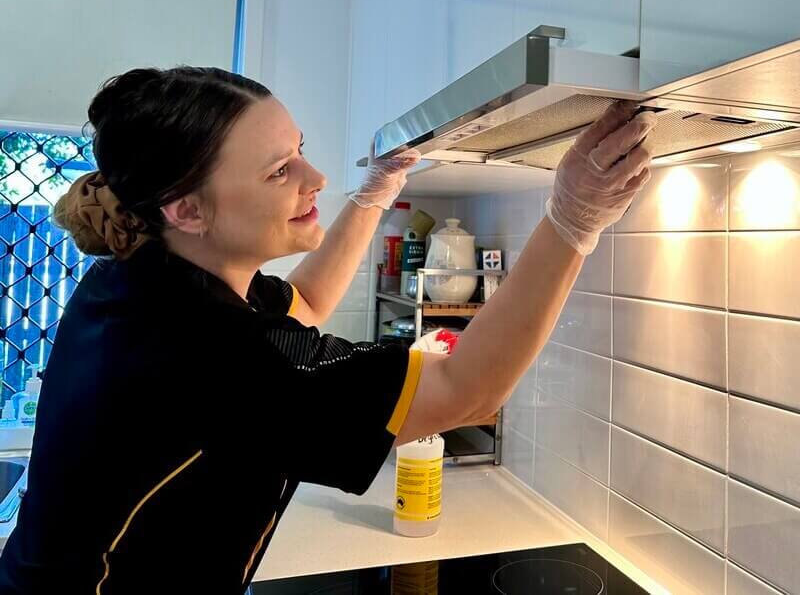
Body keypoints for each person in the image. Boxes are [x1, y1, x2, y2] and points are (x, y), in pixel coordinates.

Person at [0, 67, 654, 594]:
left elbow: (306, 302)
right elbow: (465, 391)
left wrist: (375, 195)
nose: (315, 179)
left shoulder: (149, 274)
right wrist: (572, 220)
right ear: (188, 211)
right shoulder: (208, 350)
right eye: (279, 170)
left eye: (301, 152)